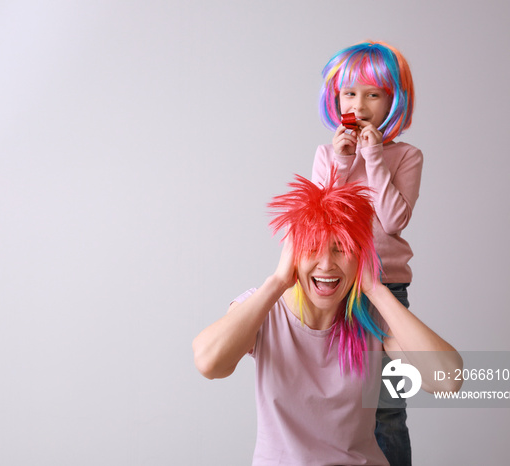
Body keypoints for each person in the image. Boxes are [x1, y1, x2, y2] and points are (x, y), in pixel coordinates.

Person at [192, 171, 461, 466]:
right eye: (312, 248)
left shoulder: (371, 317)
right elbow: (209, 362)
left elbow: (448, 380)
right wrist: (279, 280)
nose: (326, 264)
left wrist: (375, 289)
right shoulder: (266, 310)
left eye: (340, 248)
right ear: (293, 253)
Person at [313, 41, 422, 465]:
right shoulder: (327, 154)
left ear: (393, 100)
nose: (360, 104)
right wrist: (341, 164)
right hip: (335, 287)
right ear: (336, 100)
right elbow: (322, 220)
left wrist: (373, 156)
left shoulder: (407, 156)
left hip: (388, 290)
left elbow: (393, 220)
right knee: (340, 403)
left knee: (389, 410)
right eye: (350, 93)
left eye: (374, 94)